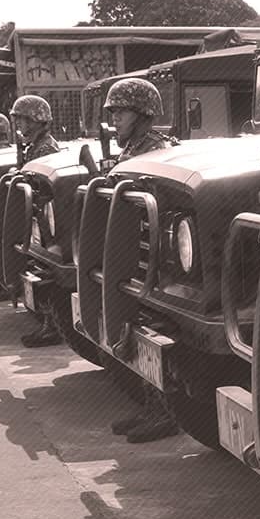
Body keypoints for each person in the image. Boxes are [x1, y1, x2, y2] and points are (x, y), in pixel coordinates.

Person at [97, 78, 184, 444]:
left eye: (121, 111)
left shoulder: (157, 152)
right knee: (135, 331)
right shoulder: (134, 150)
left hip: (156, 262)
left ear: (143, 113)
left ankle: (167, 410)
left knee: (155, 334)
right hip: (135, 257)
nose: (114, 119)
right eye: (113, 111)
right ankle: (151, 403)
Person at [0, 94, 64, 314]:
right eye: (18, 119)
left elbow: (41, 186)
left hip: (45, 219)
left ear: (36, 119)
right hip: (34, 217)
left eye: (23, 118)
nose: (19, 123)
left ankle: (50, 320)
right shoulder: (32, 145)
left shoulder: (45, 148)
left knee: (47, 271)